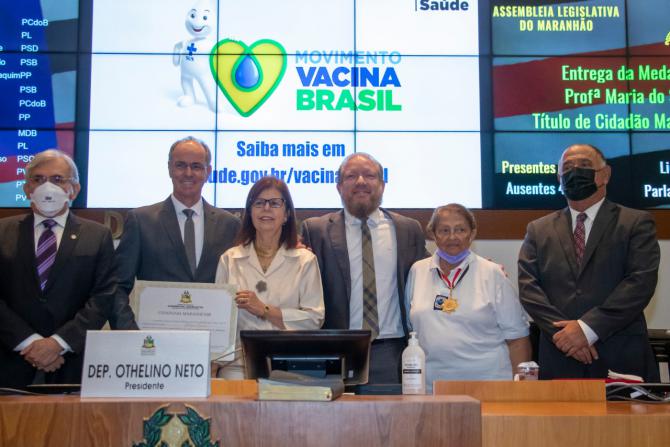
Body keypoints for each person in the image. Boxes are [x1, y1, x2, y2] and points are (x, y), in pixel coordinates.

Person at [518, 143, 660, 381]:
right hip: (558, 356)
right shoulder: (538, 229)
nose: (575, 171)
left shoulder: (636, 223)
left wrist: (587, 329)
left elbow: (640, 283)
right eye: (568, 167)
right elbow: (529, 288)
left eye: (584, 165)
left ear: (605, 175)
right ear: (559, 177)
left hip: (619, 355)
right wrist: (566, 337)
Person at [301, 153, 429, 384]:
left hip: (391, 351)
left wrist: (481, 266)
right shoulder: (316, 230)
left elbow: (431, 272)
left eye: (369, 175)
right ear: (339, 186)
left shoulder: (408, 229)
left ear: (382, 185)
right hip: (334, 349)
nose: (361, 181)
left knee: (392, 419)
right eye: (351, 176)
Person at [0, 150, 115, 387]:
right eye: (38, 179)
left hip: (72, 366)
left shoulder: (98, 235)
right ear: (27, 189)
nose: (47, 186)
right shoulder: (3, 232)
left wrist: (57, 344)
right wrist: (29, 343)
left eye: (57, 179)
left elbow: (103, 297)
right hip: (10, 364)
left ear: (74, 189)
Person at [109, 136, 240, 329]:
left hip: (214, 347)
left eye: (196, 166)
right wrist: (130, 333)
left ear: (208, 171)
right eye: (181, 165)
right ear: (170, 168)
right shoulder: (141, 221)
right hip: (154, 345)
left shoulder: (229, 225)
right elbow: (117, 287)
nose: (188, 173)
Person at [406, 204, 530, 390]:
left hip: (489, 385)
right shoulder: (417, 271)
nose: (452, 237)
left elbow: (518, 339)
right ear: (433, 234)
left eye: (460, 230)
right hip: (432, 387)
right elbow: (412, 328)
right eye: (444, 230)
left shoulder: (492, 273)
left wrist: (520, 390)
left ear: (472, 233)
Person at [215, 176, 324, 378]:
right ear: (249, 213)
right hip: (238, 366)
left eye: (274, 203)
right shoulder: (229, 259)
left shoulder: (305, 260)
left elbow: (314, 318)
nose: (266, 208)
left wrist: (266, 310)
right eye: (258, 203)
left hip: (289, 364)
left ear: (286, 214)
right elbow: (218, 322)